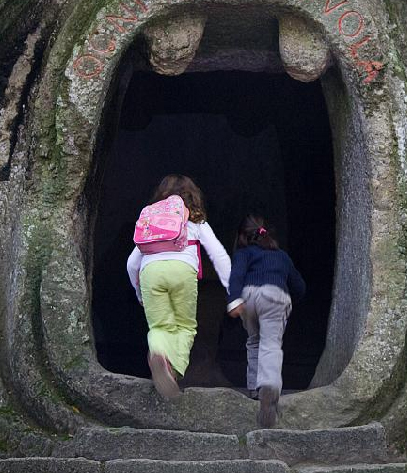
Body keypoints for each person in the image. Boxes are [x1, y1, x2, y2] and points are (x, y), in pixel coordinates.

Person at [127, 174, 232, 400]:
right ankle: (173, 370)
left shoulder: (149, 224)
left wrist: (138, 291)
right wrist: (231, 289)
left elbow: (131, 262)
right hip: (182, 271)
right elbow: (218, 255)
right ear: (193, 197)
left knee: (159, 327)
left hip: (150, 272)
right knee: (185, 326)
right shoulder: (195, 221)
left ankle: (158, 354)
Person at [227, 214, 306, 428]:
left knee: (254, 341)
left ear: (242, 236)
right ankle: (269, 385)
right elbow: (299, 286)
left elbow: (236, 276)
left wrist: (234, 299)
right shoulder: (281, 256)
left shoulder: (243, 253)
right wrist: (292, 299)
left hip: (249, 296)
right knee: (270, 344)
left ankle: (254, 388)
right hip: (274, 296)